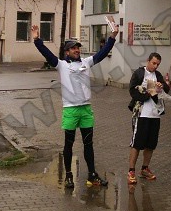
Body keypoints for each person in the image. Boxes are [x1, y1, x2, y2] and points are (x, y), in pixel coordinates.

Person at [32, 21, 119, 189]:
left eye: (78, 48)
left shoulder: (87, 62)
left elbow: (103, 53)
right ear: (67, 52)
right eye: (73, 48)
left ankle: (92, 175)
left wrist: (113, 37)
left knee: (89, 144)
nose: (77, 50)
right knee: (69, 144)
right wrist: (37, 40)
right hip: (70, 110)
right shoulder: (62, 65)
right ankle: (69, 176)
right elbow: (47, 54)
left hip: (86, 109)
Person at [127, 52, 170, 185]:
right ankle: (131, 171)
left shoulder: (158, 75)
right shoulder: (139, 73)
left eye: (158, 64)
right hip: (142, 113)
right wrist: (147, 93)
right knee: (137, 143)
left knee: (151, 144)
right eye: (153, 63)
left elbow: (166, 89)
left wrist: (162, 87)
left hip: (155, 113)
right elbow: (132, 90)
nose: (155, 66)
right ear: (148, 61)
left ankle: (145, 169)